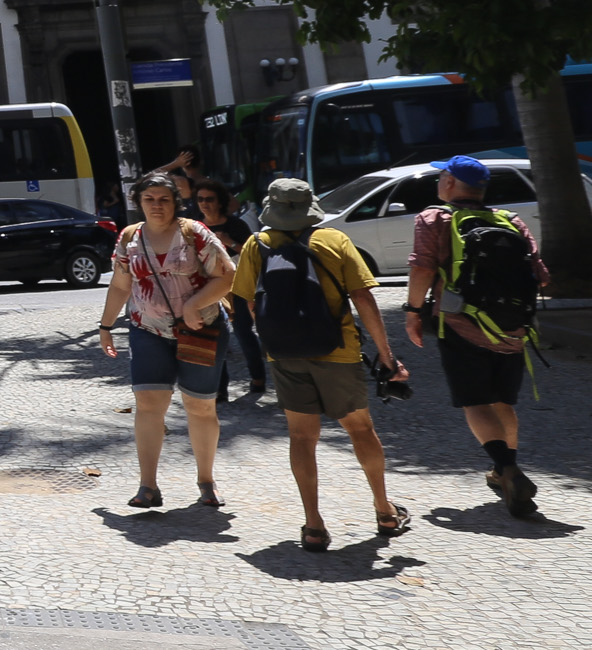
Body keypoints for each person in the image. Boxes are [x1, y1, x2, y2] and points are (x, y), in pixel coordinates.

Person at [233, 178, 409, 552]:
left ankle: (313, 525)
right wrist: (387, 355)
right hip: (338, 351)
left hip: (285, 355)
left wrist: (277, 339)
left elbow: (250, 304)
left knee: (301, 437)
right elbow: (362, 297)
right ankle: (384, 510)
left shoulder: (257, 245)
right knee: (360, 429)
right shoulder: (334, 241)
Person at [403, 155, 550, 517]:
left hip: (460, 325)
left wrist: (412, 312)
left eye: (442, 175)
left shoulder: (434, 218)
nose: (439, 179)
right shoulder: (510, 221)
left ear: (451, 184)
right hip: (513, 328)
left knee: (476, 402)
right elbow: (541, 276)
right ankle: (503, 472)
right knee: (503, 403)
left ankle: (508, 468)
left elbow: (422, 267)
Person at [98, 172, 236, 509]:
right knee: (148, 404)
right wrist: (105, 326)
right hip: (147, 330)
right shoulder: (130, 237)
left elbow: (228, 275)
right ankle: (148, 486)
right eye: (149, 199)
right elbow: (120, 285)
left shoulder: (194, 234)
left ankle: (206, 480)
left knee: (200, 407)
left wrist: (193, 303)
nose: (157, 205)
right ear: (139, 203)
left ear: (176, 202)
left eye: (164, 199)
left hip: (200, 330)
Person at [193, 179, 266, 401]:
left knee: (243, 333)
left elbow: (252, 254)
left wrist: (229, 242)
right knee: (215, 337)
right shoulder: (196, 228)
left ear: (220, 202)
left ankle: (258, 378)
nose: (204, 204)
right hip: (210, 290)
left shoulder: (236, 225)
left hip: (239, 287)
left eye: (209, 199)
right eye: (200, 199)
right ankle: (220, 388)